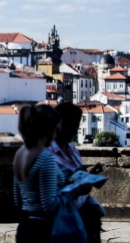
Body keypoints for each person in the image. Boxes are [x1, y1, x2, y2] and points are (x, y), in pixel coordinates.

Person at [13, 105, 92, 243]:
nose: (56, 135)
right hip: (43, 229)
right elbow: (49, 206)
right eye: (56, 130)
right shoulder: (45, 158)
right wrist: (76, 191)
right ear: (48, 129)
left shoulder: (20, 154)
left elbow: (17, 199)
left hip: (25, 225)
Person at [50, 102, 103, 243]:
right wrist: (77, 191)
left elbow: (73, 175)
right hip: (60, 221)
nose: (76, 129)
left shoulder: (72, 149)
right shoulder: (46, 154)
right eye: (73, 125)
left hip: (80, 217)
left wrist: (87, 175)